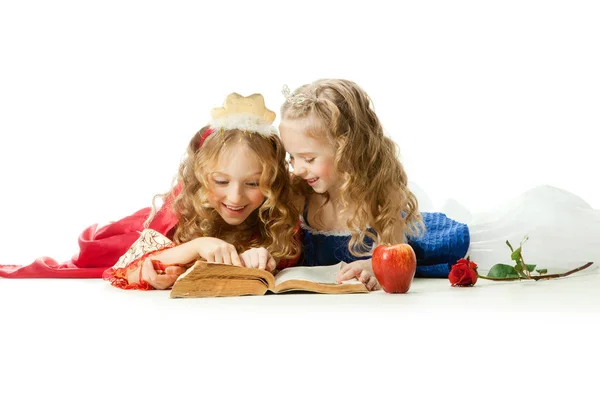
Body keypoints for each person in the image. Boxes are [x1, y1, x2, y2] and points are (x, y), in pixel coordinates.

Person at [1, 93, 301, 289]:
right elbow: (125, 270)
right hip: (142, 234)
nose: (236, 197)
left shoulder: (278, 211)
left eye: (253, 184)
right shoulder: (182, 208)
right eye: (221, 182)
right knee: (94, 255)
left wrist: (265, 258)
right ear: (198, 177)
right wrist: (192, 249)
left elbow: (286, 259)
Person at [279, 79, 470, 290]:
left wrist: (373, 266)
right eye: (291, 157)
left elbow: (394, 254)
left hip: (417, 247)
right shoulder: (299, 192)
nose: (297, 169)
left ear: (347, 150)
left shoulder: (378, 196)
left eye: (309, 159)